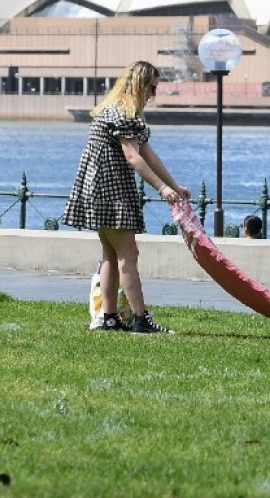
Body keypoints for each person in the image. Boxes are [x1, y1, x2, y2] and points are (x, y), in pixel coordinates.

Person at [62, 59, 188, 334]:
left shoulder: (114, 110)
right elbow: (134, 157)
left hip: (98, 187)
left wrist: (175, 187)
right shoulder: (123, 114)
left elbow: (149, 155)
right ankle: (141, 319)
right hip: (111, 188)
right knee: (128, 254)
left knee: (110, 254)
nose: (154, 94)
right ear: (139, 85)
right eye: (151, 88)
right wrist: (162, 189)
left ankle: (109, 317)